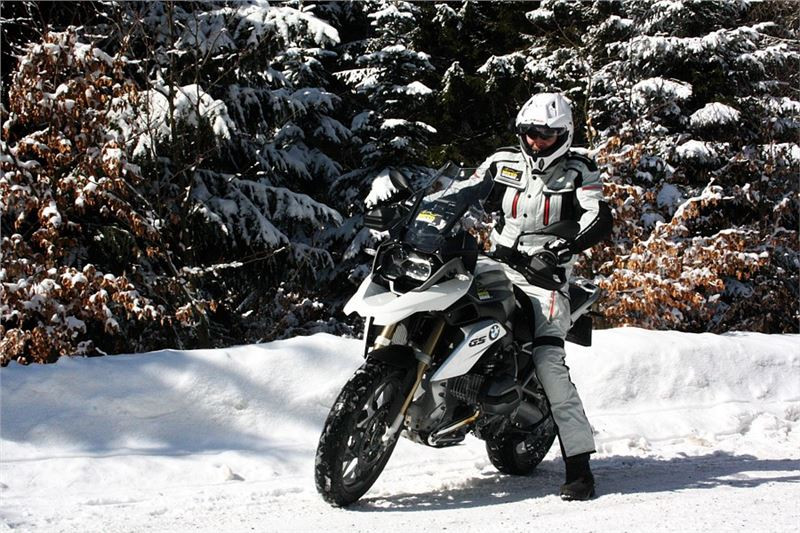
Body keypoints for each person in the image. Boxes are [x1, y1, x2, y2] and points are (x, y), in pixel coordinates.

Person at [476, 92, 612, 501]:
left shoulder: (579, 171)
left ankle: (579, 467)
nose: (537, 141)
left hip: (545, 279)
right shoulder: (501, 162)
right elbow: (461, 190)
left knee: (549, 361)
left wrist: (565, 247)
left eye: (547, 135)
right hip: (494, 263)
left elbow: (597, 215)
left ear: (564, 135)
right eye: (531, 133)